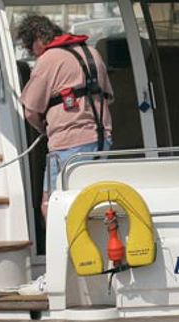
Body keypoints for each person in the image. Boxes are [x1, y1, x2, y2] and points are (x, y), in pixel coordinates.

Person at [16, 14, 114, 217]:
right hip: (103, 142)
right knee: (95, 203)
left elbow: (30, 111)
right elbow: (108, 97)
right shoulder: (92, 53)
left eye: (30, 47)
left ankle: (63, 247)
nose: (33, 54)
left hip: (67, 145)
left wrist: (42, 129)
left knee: (51, 204)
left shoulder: (49, 59)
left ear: (37, 39)